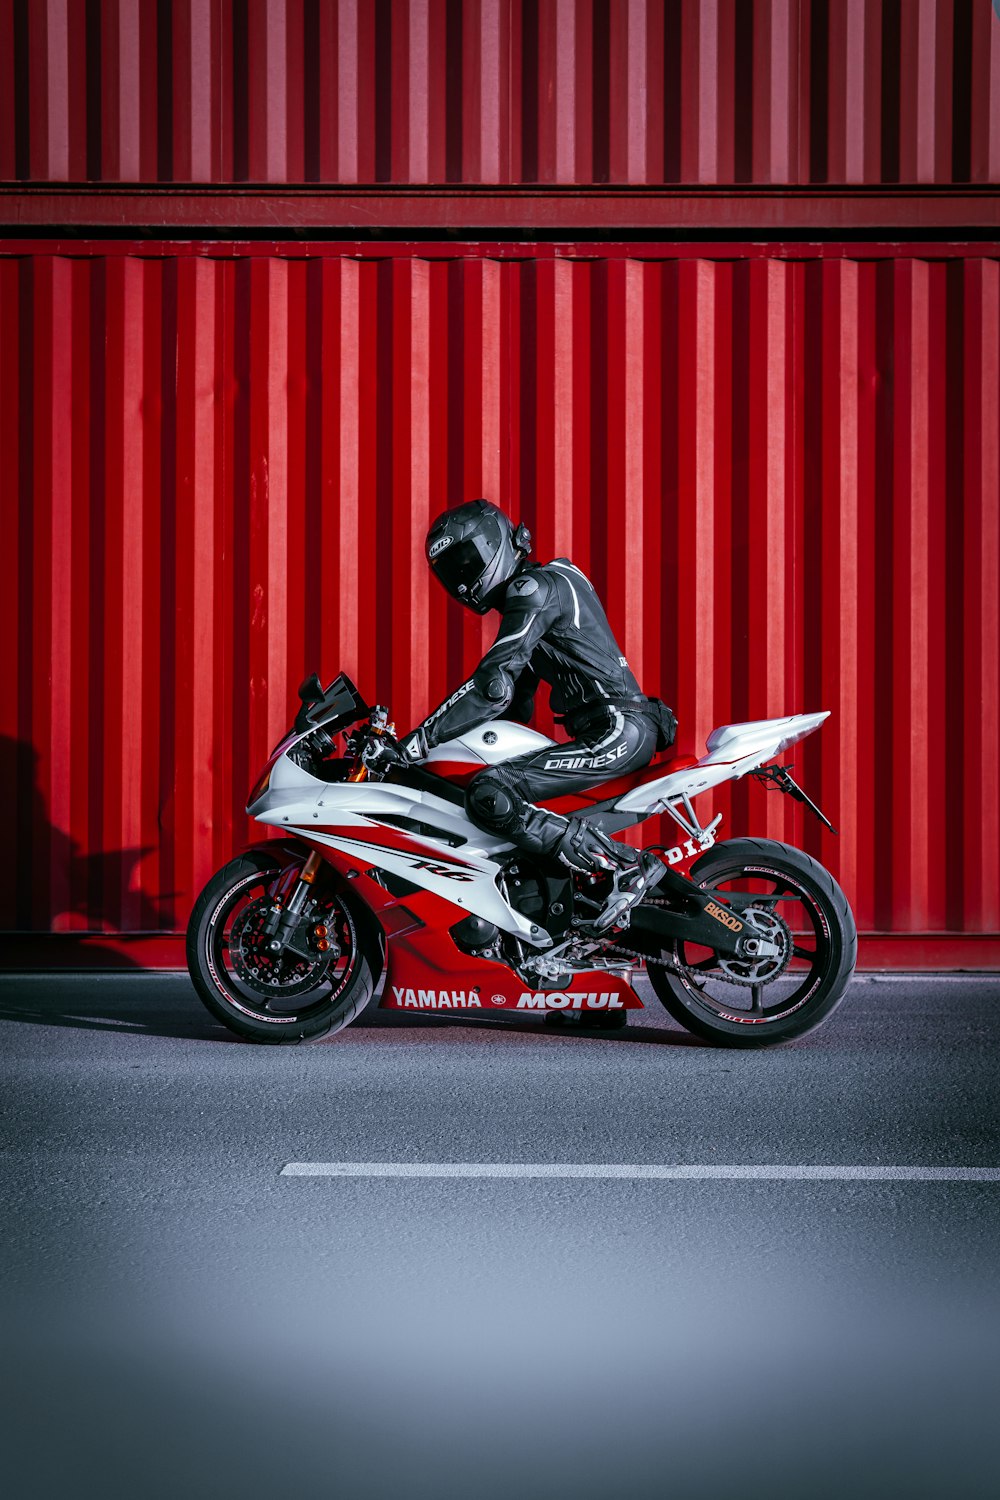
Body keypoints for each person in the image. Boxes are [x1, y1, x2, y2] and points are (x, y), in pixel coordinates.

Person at [388, 499, 677, 929]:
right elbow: (516, 701)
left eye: (467, 561)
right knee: (489, 777)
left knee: (489, 792)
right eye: (451, 570)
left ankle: (624, 864)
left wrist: (417, 741)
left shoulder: (533, 591)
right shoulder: (544, 587)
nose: (462, 578)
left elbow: (493, 686)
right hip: (620, 726)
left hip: (617, 730)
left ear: (494, 545)